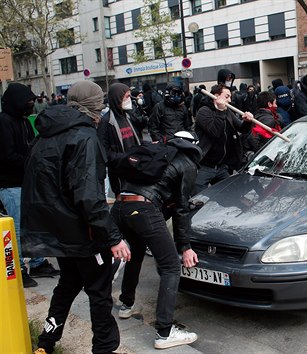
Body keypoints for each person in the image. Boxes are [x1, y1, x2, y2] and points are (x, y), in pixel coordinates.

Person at [21, 81, 131, 354]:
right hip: (82, 232)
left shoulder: (46, 133)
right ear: (94, 106)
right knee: (99, 292)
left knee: (68, 284)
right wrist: (113, 237)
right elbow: (88, 195)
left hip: (58, 230)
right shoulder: (84, 136)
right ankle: (103, 348)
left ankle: (46, 343)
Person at [111, 131, 201, 349]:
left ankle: (126, 303)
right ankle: (165, 332)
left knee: (137, 250)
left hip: (121, 206)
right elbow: (181, 209)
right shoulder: (186, 162)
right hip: (143, 208)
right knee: (170, 265)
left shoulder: (155, 153)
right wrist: (185, 247)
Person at [1, 82, 61, 289]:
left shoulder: (24, 121)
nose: (31, 105)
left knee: (34, 225)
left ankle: (37, 262)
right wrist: (32, 160)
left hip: (27, 182)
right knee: (17, 230)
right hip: (11, 185)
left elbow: (32, 145)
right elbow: (7, 156)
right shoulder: (3, 122)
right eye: (28, 101)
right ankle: (19, 270)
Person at [194, 83, 254, 193]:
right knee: (198, 199)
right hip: (204, 166)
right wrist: (220, 112)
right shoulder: (204, 111)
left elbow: (242, 128)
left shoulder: (227, 111)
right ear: (216, 96)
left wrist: (247, 122)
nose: (230, 100)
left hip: (222, 166)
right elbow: (215, 132)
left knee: (230, 195)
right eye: (227, 97)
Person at [98, 83, 142, 196]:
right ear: (117, 98)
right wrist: (125, 158)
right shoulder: (106, 121)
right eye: (127, 97)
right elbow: (104, 152)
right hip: (120, 175)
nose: (130, 100)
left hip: (134, 169)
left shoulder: (127, 116)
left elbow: (135, 139)